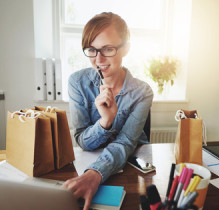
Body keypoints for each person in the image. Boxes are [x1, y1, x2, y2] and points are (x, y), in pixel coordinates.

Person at [64, 12, 153, 210]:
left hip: (132, 166)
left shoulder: (142, 91)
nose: (99, 59)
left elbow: (126, 142)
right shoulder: (78, 82)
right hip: (88, 164)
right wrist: (105, 122)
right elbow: (82, 141)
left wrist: (95, 174)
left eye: (108, 49)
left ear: (126, 48)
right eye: (92, 50)